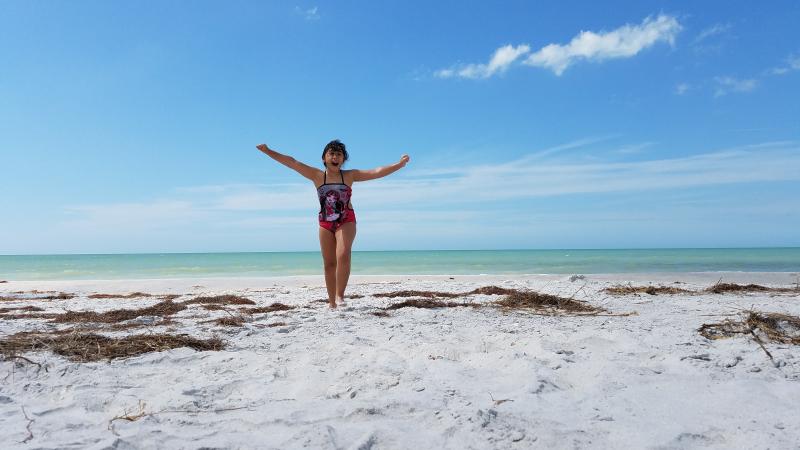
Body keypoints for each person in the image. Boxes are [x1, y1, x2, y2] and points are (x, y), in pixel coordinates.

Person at [256, 140, 410, 308]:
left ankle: (340, 295)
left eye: (339, 154)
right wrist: (268, 151)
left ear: (343, 159)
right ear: (324, 158)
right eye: (331, 153)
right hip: (325, 223)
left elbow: (376, 172)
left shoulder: (350, 175)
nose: (335, 156)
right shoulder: (317, 175)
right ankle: (331, 303)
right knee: (329, 264)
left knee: (343, 255)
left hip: (346, 220)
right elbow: (292, 163)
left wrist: (400, 164)